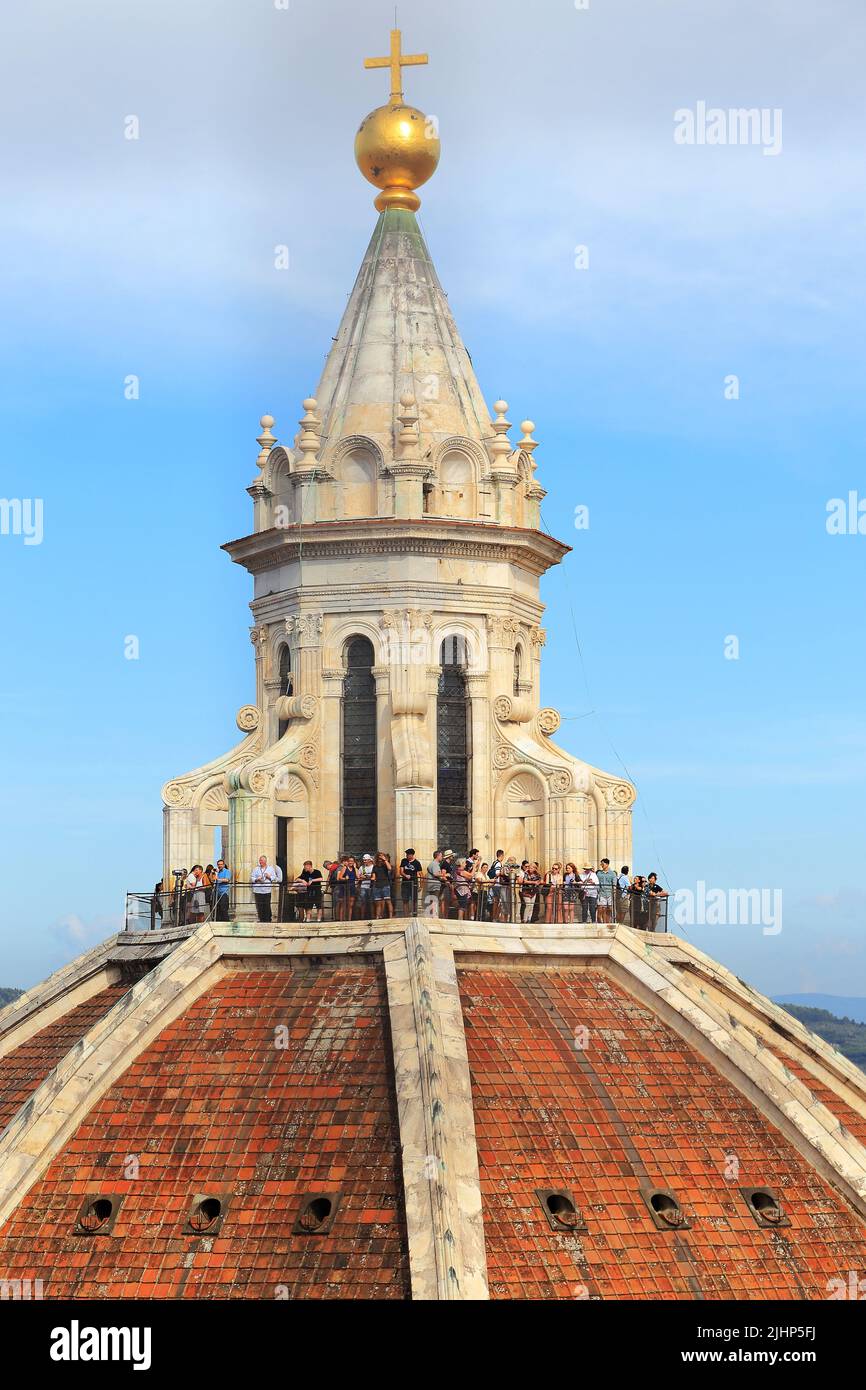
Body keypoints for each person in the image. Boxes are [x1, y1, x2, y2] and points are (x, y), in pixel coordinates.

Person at [251, 855, 277, 923]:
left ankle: (268, 919)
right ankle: (261, 919)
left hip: (267, 890)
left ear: (265, 861)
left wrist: (269, 876)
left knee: (267, 905)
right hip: (258, 890)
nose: (260, 862)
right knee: (259, 905)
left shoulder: (270, 868)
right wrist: (257, 879)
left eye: (261, 860)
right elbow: (252, 877)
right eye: (260, 860)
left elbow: (274, 877)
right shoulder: (256, 869)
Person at [399, 848, 422, 915]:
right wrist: (405, 875)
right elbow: (401, 871)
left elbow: (421, 874)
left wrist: (421, 885)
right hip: (405, 883)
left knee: (414, 900)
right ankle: (406, 915)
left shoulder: (417, 863)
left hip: (414, 883)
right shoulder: (403, 861)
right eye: (406, 854)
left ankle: (414, 914)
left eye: (408, 854)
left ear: (412, 855)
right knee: (405, 900)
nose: (407, 855)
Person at [371, 851, 393, 919]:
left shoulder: (385, 865)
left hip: (385, 885)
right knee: (378, 903)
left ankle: (391, 917)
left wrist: (385, 860)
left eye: (381, 857)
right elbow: (374, 876)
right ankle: (378, 917)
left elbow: (390, 868)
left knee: (388, 901)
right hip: (377, 886)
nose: (380, 859)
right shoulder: (375, 867)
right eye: (379, 857)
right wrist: (369, 878)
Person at [596, 858, 617, 925]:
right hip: (602, 893)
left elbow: (614, 883)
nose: (601, 865)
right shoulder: (599, 873)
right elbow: (597, 882)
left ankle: (608, 922)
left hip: (610, 893)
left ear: (607, 864)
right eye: (601, 864)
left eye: (603, 863)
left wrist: (614, 891)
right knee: (603, 908)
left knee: (610, 908)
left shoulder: (613, 873)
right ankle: (604, 923)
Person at [336, 855, 357, 921]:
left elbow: (357, 876)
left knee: (350, 904)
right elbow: (339, 877)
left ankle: (349, 919)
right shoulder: (345, 868)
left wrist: (355, 868)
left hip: (352, 887)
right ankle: (341, 920)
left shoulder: (354, 868)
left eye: (352, 861)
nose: (351, 862)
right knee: (343, 904)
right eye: (349, 861)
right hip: (345, 887)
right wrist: (345, 878)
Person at [425, 849, 444, 916]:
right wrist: (444, 875)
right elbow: (436, 874)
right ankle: (434, 915)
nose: (442, 857)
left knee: (433, 899)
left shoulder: (432, 864)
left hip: (431, 884)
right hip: (435, 884)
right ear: (437, 856)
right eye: (441, 856)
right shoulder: (435, 864)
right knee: (434, 899)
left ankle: (432, 914)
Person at [488, 851, 505, 921]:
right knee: (500, 901)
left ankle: (494, 917)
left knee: (496, 901)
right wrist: (503, 872)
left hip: (494, 884)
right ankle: (496, 917)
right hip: (498, 885)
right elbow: (497, 873)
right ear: (501, 855)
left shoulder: (494, 862)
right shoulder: (498, 863)